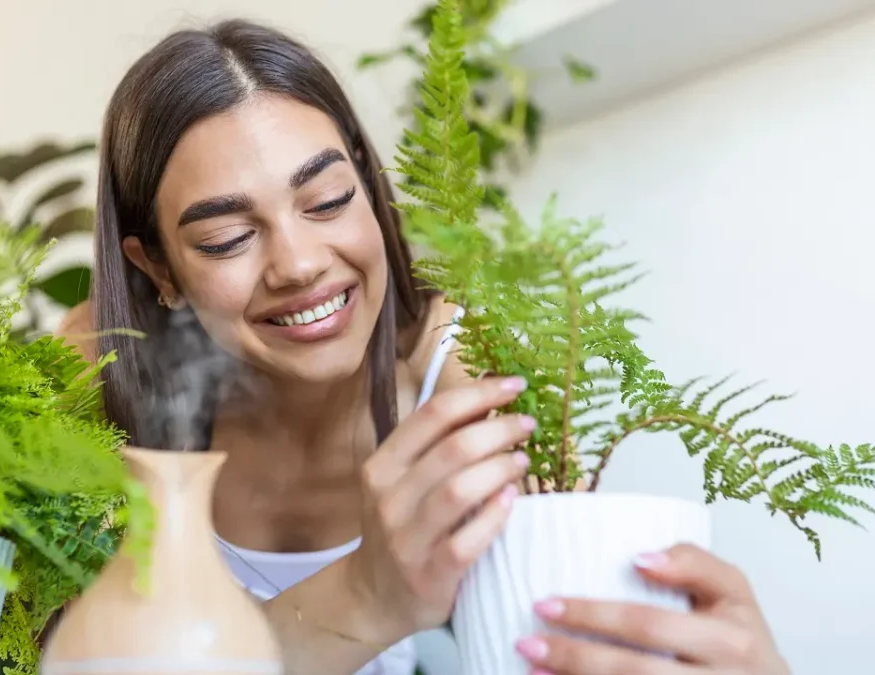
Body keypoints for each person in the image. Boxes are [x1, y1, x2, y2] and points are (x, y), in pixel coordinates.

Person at [56, 18, 791, 675]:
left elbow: (556, 609)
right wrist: (365, 593)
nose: (299, 263)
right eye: (228, 238)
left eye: (328, 201)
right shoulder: (99, 376)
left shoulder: (454, 362)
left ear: (372, 191)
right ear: (157, 269)